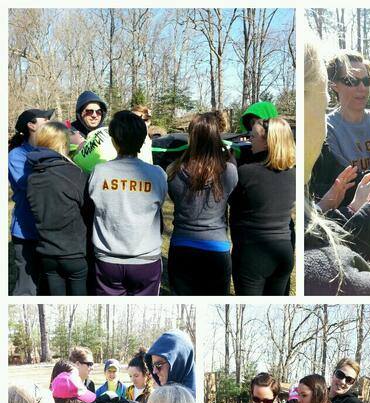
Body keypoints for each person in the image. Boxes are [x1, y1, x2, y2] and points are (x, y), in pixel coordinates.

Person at [312, 50, 370, 292]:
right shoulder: (325, 130)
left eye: (367, 81)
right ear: (335, 86)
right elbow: (344, 178)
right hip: (352, 223)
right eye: (352, 81)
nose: (361, 88)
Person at [87, 110, 167, 296]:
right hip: (146, 261)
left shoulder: (99, 172)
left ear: (114, 140)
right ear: (142, 140)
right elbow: (159, 206)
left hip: (108, 260)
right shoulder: (157, 174)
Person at [167, 112, 238, 295]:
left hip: (182, 246)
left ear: (191, 137)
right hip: (216, 248)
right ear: (217, 137)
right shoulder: (228, 171)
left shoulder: (173, 171)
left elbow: (176, 199)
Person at [229, 117, 295, 296]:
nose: (250, 140)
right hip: (283, 252)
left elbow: (229, 200)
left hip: (252, 253)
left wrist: (231, 165)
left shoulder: (246, 173)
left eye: (253, 136)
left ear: (268, 142)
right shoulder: (294, 174)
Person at [26, 121, 90, 295]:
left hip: (47, 253)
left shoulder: (32, 175)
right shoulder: (75, 173)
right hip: (74, 252)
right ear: (63, 143)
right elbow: (89, 211)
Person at [9, 108, 53, 295]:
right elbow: (33, 188)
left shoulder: (51, 151)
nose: (50, 123)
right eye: (46, 119)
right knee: (27, 288)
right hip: (27, 232)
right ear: (31, 125)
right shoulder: (16, 156)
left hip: (50, 232)